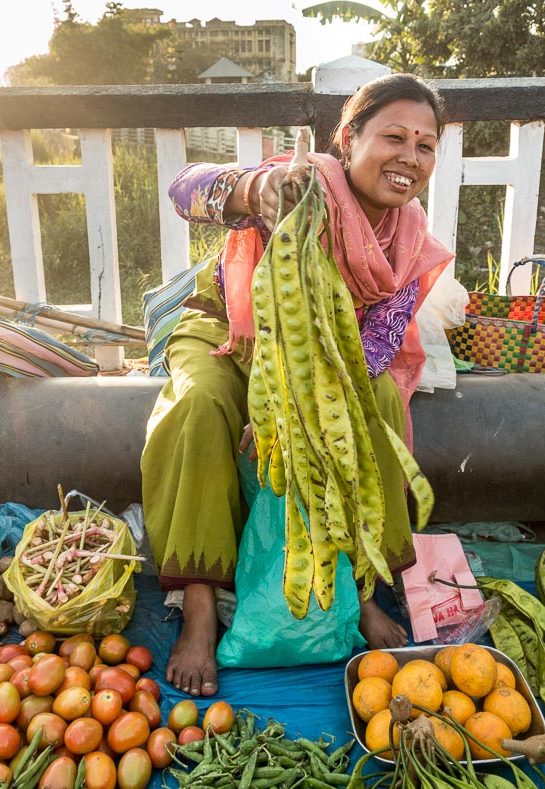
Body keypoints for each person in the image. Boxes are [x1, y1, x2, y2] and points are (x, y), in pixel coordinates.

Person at [141, 73, 454, 697]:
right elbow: (183, 189)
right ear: (348, 137)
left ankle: (360, 590)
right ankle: (199, 609)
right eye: (394, 137)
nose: (409, 157)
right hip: (227, 334)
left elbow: (373, 350)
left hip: (322, 367)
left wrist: (291, 408)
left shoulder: (408, 240)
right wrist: (253, 189)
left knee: (379, 404)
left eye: (425, 146)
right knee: (198, 406)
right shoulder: (297, 184)